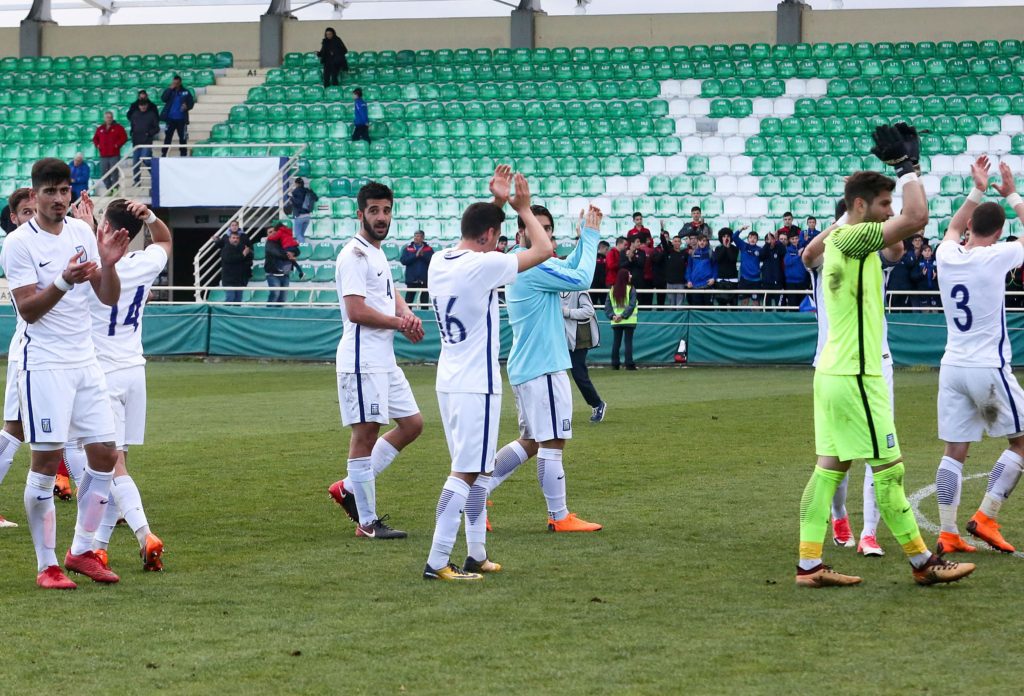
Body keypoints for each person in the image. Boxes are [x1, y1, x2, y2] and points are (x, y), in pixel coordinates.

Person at [794, 124, 974, 588]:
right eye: (882, 205)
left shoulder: (840, 238)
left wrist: (902, 177)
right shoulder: (853, 239)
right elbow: (917, 217)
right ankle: (923, 563)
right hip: (858, 374)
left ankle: (809, 565)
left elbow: (896, 230)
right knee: (890, 473)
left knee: (828, 470)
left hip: (833, 373)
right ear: (860, 207)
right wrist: (907, 167)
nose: (890, 212)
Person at [0, 158, 131, 589]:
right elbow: (27, 310)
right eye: (50, 191)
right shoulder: (19, 243)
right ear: (34, 195)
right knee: (45, 461)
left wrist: (108, 264)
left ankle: (81, 551)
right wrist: (62, 280)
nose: (59, 199)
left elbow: (108, 298)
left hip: (84, 359)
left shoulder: (81, 232)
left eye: (64, 191)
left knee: (105, 455)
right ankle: (47, 565)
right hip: (44, 363)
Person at [422, 166, 553, 581]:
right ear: (491, 236)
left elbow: (479, 233)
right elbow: (544, 249)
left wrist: (496, 204)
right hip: (475, 384)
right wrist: (523, 208)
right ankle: (437, 561)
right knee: (464, 473)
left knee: (478, 471)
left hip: (452, 379)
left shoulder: (439, 260)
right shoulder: (484, 265)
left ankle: (476, 553)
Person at [485, 204, 605, 535]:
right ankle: (559, 515)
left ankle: (477, 491)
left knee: (531, 441)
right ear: (522, 232)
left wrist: (582, 239)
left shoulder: (525, 262)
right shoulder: (531, 267)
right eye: (537, 227)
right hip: (543, 367)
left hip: (530, 366)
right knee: (552, 442)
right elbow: (581, 278)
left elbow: (569, 265)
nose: (544, 233)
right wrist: (592, 236)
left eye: (548, 228)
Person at [932, 157, 1024, 555]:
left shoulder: (946, 254)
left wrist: (977, 189)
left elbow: (953, 228)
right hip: (987, 368)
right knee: (1021, 442)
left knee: (955, 452)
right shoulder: (997, 256)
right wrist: (1012, 194)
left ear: (971, 225)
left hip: (952, 366)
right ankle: (986, 516)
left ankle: (947, 533)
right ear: (1000, 233)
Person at [326, 181, 424, 541]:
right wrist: (400, 323)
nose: (381, 217)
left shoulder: (376, 252)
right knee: (365, 434)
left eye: (386, 210)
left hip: (383, 359)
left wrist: (406, 312)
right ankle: (367, 523)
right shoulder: (353, 255)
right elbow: (355, 311)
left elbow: (388, 290)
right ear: (360, 214)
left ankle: (349, 487)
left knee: (412, 424)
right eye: (374, 211)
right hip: (361, 360)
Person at [78, 199, 171, 572]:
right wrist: (150, 217)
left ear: (106, 228)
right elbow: (164, 241)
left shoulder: (91, 268)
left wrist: (86, 228)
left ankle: (145, 534)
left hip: (102, 374)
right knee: (115, 466)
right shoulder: (144, 263)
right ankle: (99, 547)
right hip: (135, 370)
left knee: (108, 466)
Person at [803, 198, 899, 558]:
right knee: (837, 453)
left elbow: (897, 248)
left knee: (881, 452)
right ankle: (839, 514)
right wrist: (844, 222)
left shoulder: (876, 253)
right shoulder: (826, 255)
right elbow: (807, 255)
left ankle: (870, 532)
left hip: (877, 364)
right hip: (834, 365)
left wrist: (881, 221)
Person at [0, 188, 35, 528]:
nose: (33, 217)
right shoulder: (18, 249)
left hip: (52, 353)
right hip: (29, 351)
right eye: (26, 212)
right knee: (15, 429)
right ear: (13, 218)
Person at [562, 288, 606, 422]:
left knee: (579, 375)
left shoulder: (579, 289)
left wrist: (568, 312)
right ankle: (554, 410)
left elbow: (589, 311)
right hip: (558, 339)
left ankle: (597, 404)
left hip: (578, 339)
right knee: (553, 376)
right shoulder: (553, 289)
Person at [605, 268, 638, 370]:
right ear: (625, 277)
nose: (631, 276)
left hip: (616, 321)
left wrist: (613, 316)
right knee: (628, 342)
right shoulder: (631, 288)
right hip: (629, 320)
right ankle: (629, 364)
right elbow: (632, 305)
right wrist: (623, 316)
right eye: (629, 274)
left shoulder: (612, 289)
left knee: (616, 342)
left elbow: (607, 306)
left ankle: (615, 364)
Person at [214, 225, 252, 303]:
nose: (235, 239)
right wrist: (243, 255)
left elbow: (249, 259)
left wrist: (248, 254)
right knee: (230, 298)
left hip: (240, 279)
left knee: (238, 300)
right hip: (229, 280)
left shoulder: (243, 247)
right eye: (233, 238)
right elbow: (230, 259)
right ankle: (225, 311)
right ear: (229, 239)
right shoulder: (225, 249)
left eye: (237, 238)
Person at [127, 97, 160, 186]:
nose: (143, 107)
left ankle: (156, 175)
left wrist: (149, 133)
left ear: (147, 105)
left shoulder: (152, 114)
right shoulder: (135, 114)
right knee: (135, 162)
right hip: (136, 142)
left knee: (145, 159)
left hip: (147, 142)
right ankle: (137, 181)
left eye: (144, 105)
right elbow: (133, 126)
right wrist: (132, 133)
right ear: (139, 106)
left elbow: (157, 128)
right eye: (141, 105)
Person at [92, 111, 127, 192]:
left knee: (114, 172)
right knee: (103, 173)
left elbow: (124, 137)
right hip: (103, 155)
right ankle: (109, 188)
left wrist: (117, 145)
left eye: (110, 117)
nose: (109, 119)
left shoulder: (118, 127)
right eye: (107, 117)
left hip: (114, 154)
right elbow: (95, 138)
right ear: (104, 118)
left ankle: (115, 189)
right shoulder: (100, 128)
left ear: (112, 118)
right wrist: (98, 145)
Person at [161, 75, 194, 157]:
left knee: (183, 137)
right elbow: (163, 99)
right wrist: (169, 89)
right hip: (170, 119)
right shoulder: (170, 91)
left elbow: (191, 103)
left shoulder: (186, 92)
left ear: (180, 82)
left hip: (181, 119)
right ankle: (164, 153)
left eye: (177, 83)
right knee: (168, 137)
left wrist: (187, 106)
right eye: (174, 83)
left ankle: (183, 154)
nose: (175, 84)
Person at [400, 230, 433, 305]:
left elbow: (432, 261)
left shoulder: (429, 249)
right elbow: (403, 261)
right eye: (415, 236)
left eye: (418, 236)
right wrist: (415, 256)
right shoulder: (408, 248)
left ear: (423, 238)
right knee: (408, 302)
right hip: (411, 280)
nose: (415, 238)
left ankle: (424, 313)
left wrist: (423, 255)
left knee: (424, 303)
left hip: (424, 280)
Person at [732, 226, 762, 306]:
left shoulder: (760, 249)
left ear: (757, 240)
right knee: (744, 302)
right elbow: (734, 237)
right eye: (750, 237)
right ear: (748, 239)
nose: (752, 239)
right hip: (745, 279)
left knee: (756, 303)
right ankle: (743, 315)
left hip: (756, 280)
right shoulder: (743, 246)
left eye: (755, 238)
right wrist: (741, 229)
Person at [264, 232, 296, 304]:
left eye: (274, 232)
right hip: (272, 274)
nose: (272, 234)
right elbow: (278, 254)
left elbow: (294, 252)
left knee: (283, 298)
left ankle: (279, 311)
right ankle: (269, 310)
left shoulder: (285, 243)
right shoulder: (269, 244)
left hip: (285, 274)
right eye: (270, 232)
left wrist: (293, 254)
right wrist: (289, 256)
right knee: (275, 295)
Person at [685, 234, 715, 306]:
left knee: (708, 309)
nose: (702, 242)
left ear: (706, 242)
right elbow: (689, 268)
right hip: (695, 286)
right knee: (696, 309)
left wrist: (714, 278)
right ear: (697, 242)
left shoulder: (711, 253)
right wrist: (689, 280)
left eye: (704, 241)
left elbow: (715, 267)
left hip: (708, 285)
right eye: (700, 240)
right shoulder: (693, 253)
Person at [712, 228, 739, 306]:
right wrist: (724, 247)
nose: (726, 238)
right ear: (721, 238)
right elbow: (718, 259)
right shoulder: (718, 248)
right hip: (721, 280)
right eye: (724, 236)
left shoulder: (735, 248)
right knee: (722, 305)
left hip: (733, 280)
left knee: (734, 305)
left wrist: (728, 247)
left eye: (728, 236)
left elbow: (732, 259)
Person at [287, 177, 318, 244]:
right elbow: (316, 198)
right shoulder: (308, 190)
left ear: (296, 183)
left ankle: (303, 247)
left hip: (299, 216)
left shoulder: (296, 191)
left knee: (298, 235)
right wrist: (311, 191)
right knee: (301, 235)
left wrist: (291, 197)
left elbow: (297, 203)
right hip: (308, 217)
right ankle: (302, 247)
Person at [760, 231, 786, 307]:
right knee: (767, 305)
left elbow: (784, 251)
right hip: (766, 282)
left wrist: (777, 240)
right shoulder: (764, 249)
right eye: (768, 239)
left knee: (780, 305)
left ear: (775, 240)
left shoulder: (779, 248)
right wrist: (767, 244)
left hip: (778, 282)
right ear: (766, 241)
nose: (770, 241)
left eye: (772, 239)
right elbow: (761, 256)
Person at [782, 232, 809, 306]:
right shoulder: (787, 249)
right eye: (792, 239)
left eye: (796, 238)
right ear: (789, 240)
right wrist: (798, 255)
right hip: (791, 282)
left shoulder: (803, 249)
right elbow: (787, 262)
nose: (794, 240)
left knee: (802, 304)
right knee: (792, 304)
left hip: (802, 282)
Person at [663, 235, 688, 306]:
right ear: (672, 243)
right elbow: (664, 244)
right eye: (675, 241)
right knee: (671, 305)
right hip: (670, 282)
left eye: (678, 241)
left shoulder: (684, 254)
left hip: (681, 283)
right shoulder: (668, 252)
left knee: (679, 306)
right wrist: (662, 234)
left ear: (681, 243)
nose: (677, 243)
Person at [910, 243, 937, 308]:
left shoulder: (937, 262)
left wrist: (937, 275)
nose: (927, 253)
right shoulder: (917, 263)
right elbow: (913, 276)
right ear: (922, 252)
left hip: (935, 292)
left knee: (935, 311)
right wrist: (921, 274)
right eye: (925, 251)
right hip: (923, 292)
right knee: (925, 311)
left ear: (932, 252)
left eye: (929, 251)